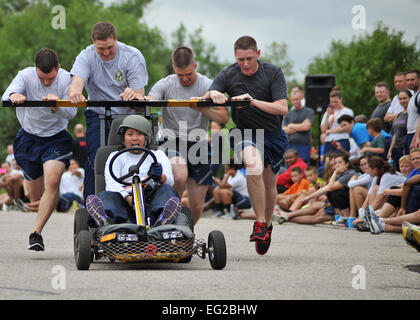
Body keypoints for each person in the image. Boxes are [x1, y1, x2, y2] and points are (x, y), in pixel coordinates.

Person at [197, 35, 289, 255]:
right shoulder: (229, 73)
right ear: (235, 57)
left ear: (258, 54)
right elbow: (207, 94)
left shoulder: (273, 73)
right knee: (253, 165)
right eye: (240, 60)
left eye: (249, 58)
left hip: (273, 134)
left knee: (269, 185)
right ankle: (258, 222)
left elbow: (283, 108)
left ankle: (266, 225)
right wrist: (214, 92)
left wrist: (252, 101)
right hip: (244, 132)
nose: (245, 64)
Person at [1, 48, 77, 251]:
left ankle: (36, 233)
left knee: (52, 180)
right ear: (35, 70)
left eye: (50, 78)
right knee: (34, 192)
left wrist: (56, 106)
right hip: (28, 139)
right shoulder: (25, 75)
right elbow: (6, 95)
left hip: (56, 139)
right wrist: (15, 96)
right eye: (42, 78)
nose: (45, 83)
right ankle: (28, 198)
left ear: (58, 68)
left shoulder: (66, 78)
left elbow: (72, 112)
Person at [145, 47, 228, 225]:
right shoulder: (166, 83)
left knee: (196, 205)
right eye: (180, 75)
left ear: (195, 66)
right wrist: (144, 99)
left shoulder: (207, 85)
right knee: (180, 176)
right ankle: (165, 222)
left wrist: (202, 107)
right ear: (174, 68)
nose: (185, 79)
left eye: (189, 74)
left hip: (198, 141)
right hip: (171, 139)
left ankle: (185, 234)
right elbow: (150, 99)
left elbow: (223, 117)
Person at [68, 21, 148, 202]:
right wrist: (75, 93)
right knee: (95, 159)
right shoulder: (86, 56)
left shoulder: (132, 56)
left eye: (109, 48)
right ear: (93, 43)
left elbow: (139, 95)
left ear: (116, 40)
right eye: (100, 49)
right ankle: (92, 208)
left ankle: (135, 204)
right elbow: (76, 83)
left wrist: (133, 94)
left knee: (132, 158)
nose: (105, 52)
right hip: (98, 114)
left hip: (127, 116)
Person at [85, 115, 181, 227]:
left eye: (139, 134)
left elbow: (170, 181)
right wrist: (128, 198)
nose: (135, 138)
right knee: (105, 196)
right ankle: (106, 221)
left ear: (146, 137)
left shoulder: (157, 154)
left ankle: (162, 218)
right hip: (123, 197)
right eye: (130, 134)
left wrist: (159, 176)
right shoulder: (115, 156)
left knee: (167, 190)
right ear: (124, 138)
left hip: (150, 196)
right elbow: (111, 183)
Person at [282, 86, 314, 163]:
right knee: (290, 168)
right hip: (290, 146)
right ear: (290, 100)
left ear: (301, 98)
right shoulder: (287, 114)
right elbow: (284, 130)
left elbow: (306, 127)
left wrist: (291, 125)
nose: (295, 102)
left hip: (304, 145)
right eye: (293, 100)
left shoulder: (309, 111)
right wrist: (300, 126)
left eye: (297, 99)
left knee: (303, 167)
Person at [320, 87, 354, 155]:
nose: (334, 104)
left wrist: (329, 131)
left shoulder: (347, 111)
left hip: (342, 139)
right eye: (332, 102)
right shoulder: (328, 112)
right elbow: (323, 129)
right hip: (329, 141)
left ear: (341, 99)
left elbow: (345, 127)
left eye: (336, 102)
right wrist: (327, 116)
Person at [387, 90, 411, 170]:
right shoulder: (399, 115)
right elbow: (395, 133)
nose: (402, 101)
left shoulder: (411, 114)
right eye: (400, 99)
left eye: (405, 98)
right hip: (396, 148)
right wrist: (390, 150)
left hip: (405, 146)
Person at [405, 70, 420, 150]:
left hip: (416, 134)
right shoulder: (412, 97)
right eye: (407, 80)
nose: (410, 82)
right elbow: (408, 118)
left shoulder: (419, 96)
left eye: (412, 79)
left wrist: (416, 138)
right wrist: (399, 122)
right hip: (409, 134)